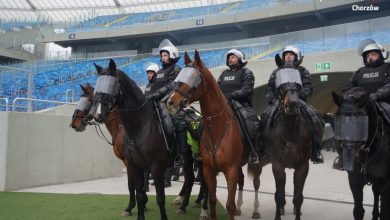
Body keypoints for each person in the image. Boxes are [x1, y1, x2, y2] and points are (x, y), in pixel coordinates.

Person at [333, 39, 390, 170]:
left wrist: (376, 95)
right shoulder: (359, 72)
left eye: (373, 54)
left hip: (382, 101)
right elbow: (350, 87)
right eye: (367, 55)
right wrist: (348, 98)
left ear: (381, 55)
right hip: (361, 105)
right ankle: (344, 155)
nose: (370, 57)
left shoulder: (387, 68)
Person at [263, 45, 324, 164]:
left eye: (291, 54)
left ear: (296, 57)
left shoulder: (302, 70)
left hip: (298, 100)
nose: (288, 56)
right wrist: (273, 100)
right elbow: (269, 88)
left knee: (316, 118)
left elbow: (308, 87)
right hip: (280, 101)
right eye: (286, 54)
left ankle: (316, 150)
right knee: (265, 118)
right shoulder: (277, 71)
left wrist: (298, 96)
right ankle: (264, 150)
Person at [145, 39, 185, 185]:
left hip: (171, 105)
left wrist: (157, 95)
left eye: (165, 55)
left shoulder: (176, 70)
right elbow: (153, 87)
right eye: (162, 55)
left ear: (172, 55)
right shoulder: (160, 72)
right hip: (156, 105)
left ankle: (180, 155)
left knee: (174, 127)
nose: (163, 58)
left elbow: (171, 86)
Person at [217, 48, 261, 165]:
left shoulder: (246, 72)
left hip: (241, 105)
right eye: (229, 57)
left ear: (240, 59)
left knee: (254, 125)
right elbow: (217, 89)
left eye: (233, 57)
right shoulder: (223, 74)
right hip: (223, 105)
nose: (230, 59)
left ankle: (254, 152)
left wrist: (231, 95)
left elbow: (247, 90)